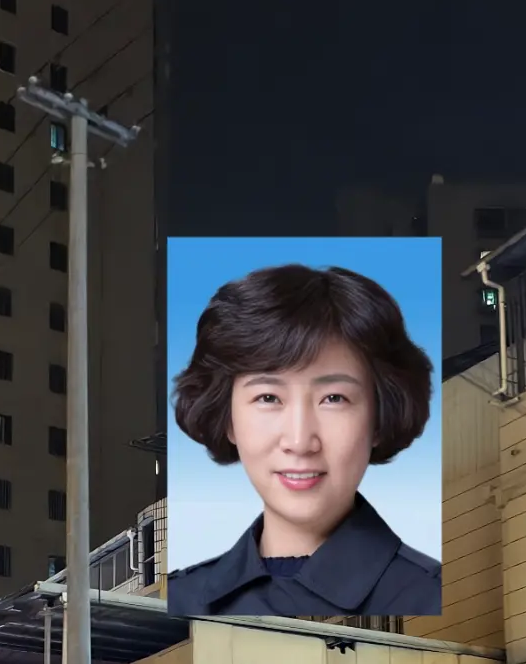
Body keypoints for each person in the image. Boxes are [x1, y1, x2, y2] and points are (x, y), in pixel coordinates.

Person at [167, 263, 441, 617]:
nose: (299, 441)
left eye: (334, 398)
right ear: (227, 418)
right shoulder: (182, 599)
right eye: (268, 398)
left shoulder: (428, 595)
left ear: (378, 419)